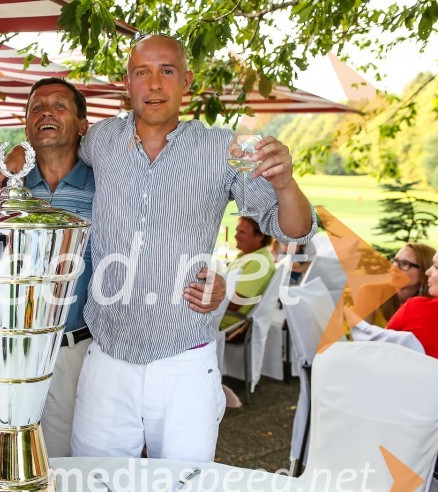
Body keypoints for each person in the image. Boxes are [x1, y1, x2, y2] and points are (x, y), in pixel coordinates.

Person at [66, 34, 315, 462]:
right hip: (107, 357)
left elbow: (294, 230)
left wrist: (285, 182)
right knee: (93, 489)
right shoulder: (101, 141)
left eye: (167, 71)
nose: (155, 84)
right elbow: (57, 153)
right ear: (127, 82)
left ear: (188, 81)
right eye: (142, 72)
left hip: (183, 358)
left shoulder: (223, 149)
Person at [0, 77, 226, 457]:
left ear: (84, 127)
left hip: (77, 347)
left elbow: (160, 237)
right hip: (14, 348)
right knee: (10, 455)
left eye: (59, 106)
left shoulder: (106, 181)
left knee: (71, 467)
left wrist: (213, 278)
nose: (46, 113)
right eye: (36, 108)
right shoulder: (6, 184)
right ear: (26, 124)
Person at [219, 217, 275, 331]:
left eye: (242, 232)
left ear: (260, 235)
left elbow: (234, 303)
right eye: (237, 231)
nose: (236, 236)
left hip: (223, 322)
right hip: (220, 315)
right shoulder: (247, 256)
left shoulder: (258, 263)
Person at [385, 249, 438, 358]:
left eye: (436, 267)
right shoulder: (375, 292)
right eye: (395, 261)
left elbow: (379, 348)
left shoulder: (416, 308)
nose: (428, 272)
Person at [371, 243, 436, 326]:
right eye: (395, 261)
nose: (394, 267)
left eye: (404, 264)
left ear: (424, 273)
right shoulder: (372, 292)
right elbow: (358, 335)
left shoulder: (430, 305)